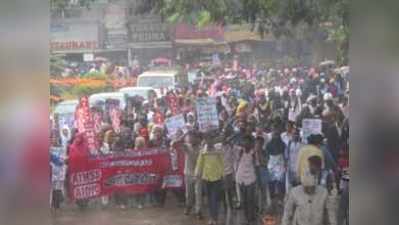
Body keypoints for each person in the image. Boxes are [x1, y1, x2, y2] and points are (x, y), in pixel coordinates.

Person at [195, 134, 224, 225]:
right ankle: (211, 218)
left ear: (213, 140)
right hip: (206, 178)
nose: (209, 141)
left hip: (217, 178)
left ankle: (215, 218)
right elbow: (199, 163)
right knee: (209, 199)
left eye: (211, 138)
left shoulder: (218, 150)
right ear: (205, 140)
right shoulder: (203, 151)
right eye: (207, 139)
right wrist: (196, 174)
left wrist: (223, 175)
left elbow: (222, 163)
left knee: (214, 199)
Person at [235, 135, 258, 225]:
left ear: (251, 143)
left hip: (251, 178)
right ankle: (246, 217)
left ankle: (251, 217)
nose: (246, 143)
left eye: (248, 142)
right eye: (244, 141)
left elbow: (256, 164)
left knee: (250, 199)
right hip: (240, 178)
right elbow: (236, 162)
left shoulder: (253, 152)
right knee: (243, 200)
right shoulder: (239, 151)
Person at [181, 131, 202, 218]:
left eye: (193, 137)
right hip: (188, 173)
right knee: (189, 193)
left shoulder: (201, 148)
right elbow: (180, 142)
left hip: (198, 174)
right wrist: (185, 133)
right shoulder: (186, 146)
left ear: (197, 139)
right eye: (190, 137)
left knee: (198, 193)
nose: (191, 139)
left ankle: (198, 211)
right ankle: (188, 206)